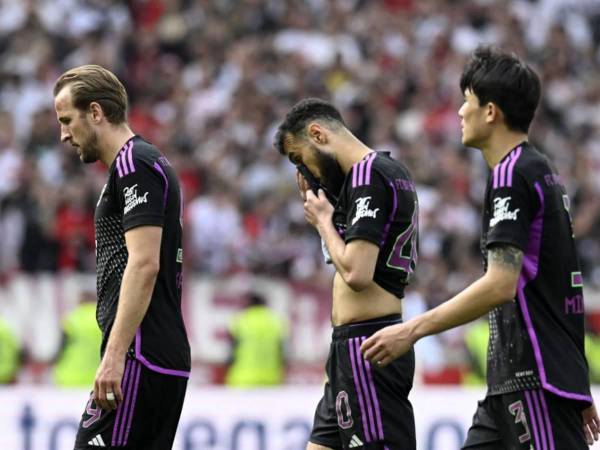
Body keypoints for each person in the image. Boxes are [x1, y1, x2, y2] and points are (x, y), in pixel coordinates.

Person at [361, 46, 600, 449]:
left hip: (533, 383)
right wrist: (576, 383)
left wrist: (412, 331)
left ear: (490, 111)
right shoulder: (539, 172)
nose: (459, 111)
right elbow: (563, 286)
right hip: (514, 385)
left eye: (467, 100)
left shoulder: (512, 174)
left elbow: (500, 284)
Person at [53, 65, 190, 450]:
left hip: (139, 355)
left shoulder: (135, 164)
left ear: (95, 112)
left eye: (67, 120)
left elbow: (144, 263)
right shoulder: (140, 164)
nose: (64, 134)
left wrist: (114, 356)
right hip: (154, 354)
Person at [275, 98, 419, 450]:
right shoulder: (382, 173)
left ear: (317, 134)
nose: (306, 171)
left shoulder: (368, 174)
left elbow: (357, 273)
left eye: (300, 158)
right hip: (348, 349)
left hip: (369, 346)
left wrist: (323, 222)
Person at [225, 292, 287, 387]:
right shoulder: (275, 322)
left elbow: (231, 352)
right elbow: (283, 353)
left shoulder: (241, 320)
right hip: (271, 379)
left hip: (243, 379)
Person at [54, 290, 102, 387]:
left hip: (69, 377)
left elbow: (61, 348)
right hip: (95, 378)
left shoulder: (72, 318)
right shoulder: (102, 319)